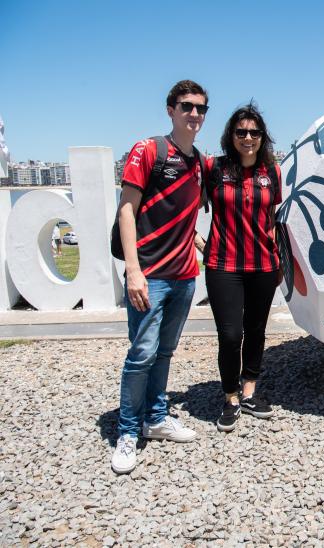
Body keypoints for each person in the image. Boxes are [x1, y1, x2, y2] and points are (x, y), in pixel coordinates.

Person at [110, 80, 211, 474]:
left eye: (201, 108)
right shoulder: (149, 150)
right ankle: (127, 431)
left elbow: (188, 222)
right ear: (171, 109)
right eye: (186, 107)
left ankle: (156, 418)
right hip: (149, 275)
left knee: (164, 352)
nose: (194, 114)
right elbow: (126, 211)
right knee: (141, 354)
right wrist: (133, 270)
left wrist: (211, 254)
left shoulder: (199, 163)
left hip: (186, 276)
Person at [197, 104, 282, 433]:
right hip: (223, 265)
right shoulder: (214, 169)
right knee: (231, 335)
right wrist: (200, 243)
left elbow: (273, 219)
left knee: (257, 330)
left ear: (263, 138)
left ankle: (249, 391)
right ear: (230, 136)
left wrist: (279, 258)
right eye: (241, 132)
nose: (248, 138)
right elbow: (187, 208)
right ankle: (230, 396)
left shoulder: (271, 172)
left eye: (254, 133)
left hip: (263, 265)